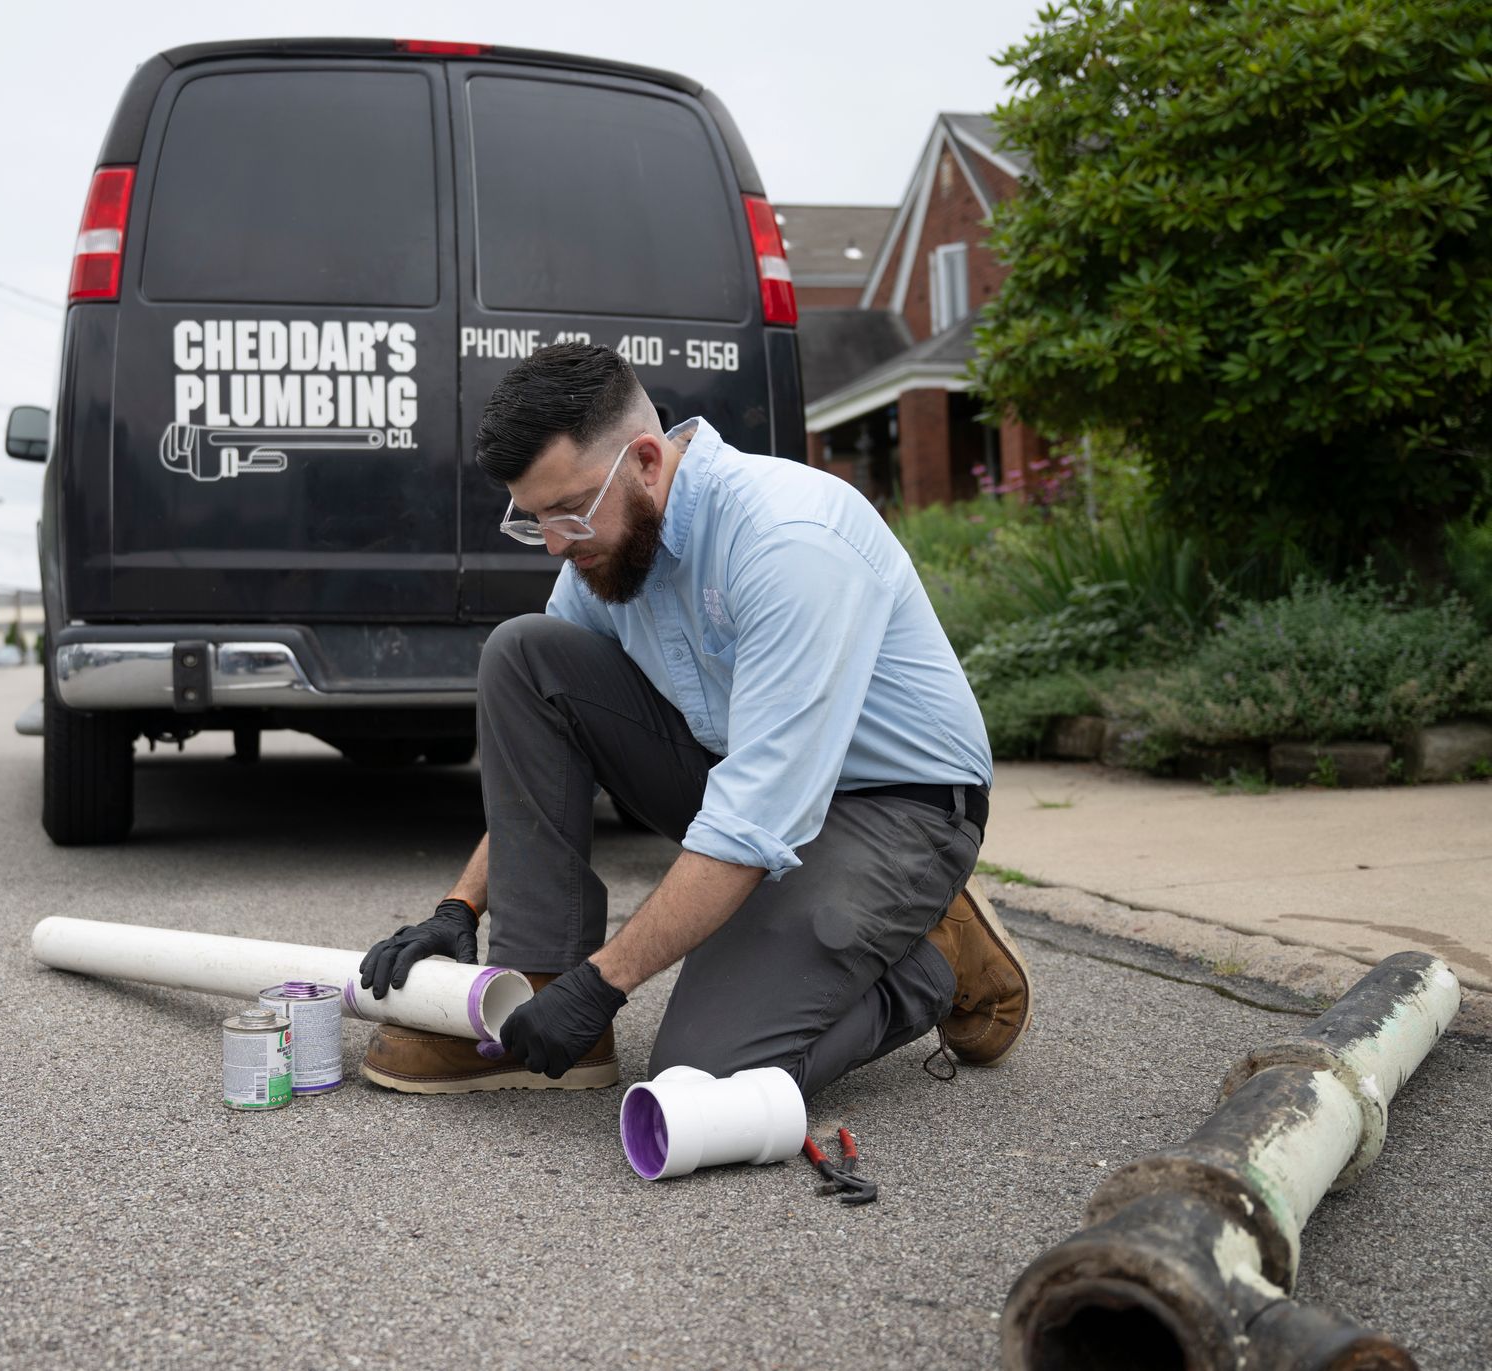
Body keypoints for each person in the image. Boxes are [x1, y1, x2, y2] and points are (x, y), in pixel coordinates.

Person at [356, 342, 1030, 1098]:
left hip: (896, 809)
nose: (554, 543)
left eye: (569, 511)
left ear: (646, 460)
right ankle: (537, 989)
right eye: (535, 519)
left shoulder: (787, 539)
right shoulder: (605, 548)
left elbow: (751, 818)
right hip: (741, 776)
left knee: (706, 1074)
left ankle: (938, 958)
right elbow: (545, 747)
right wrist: (459, 905)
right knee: (525, 654)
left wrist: (605, 980)